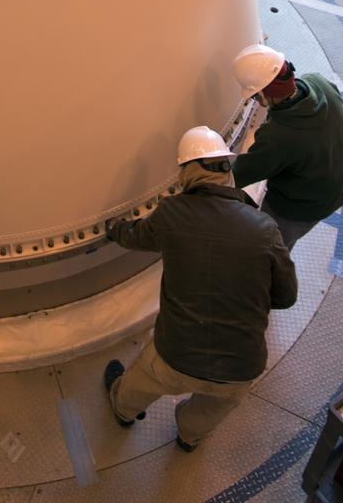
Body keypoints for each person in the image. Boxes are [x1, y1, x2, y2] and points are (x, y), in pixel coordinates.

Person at [103, 126, 297, 451]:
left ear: (187, 172)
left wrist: (112, 229)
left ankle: (124, 412)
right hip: (241, 367)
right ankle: (189, 438)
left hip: (175, 355)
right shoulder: (265, 228)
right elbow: (286, 296)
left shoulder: (172, 215)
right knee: (209, 412)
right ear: (225, 169)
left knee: (136, 386)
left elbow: (134, 236)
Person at [232, 44, 343, 251]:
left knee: (272, 248)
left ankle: (271, 272)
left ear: (263, 94)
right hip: (338, 184)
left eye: (254, 97)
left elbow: (237, 175)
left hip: (301, 207)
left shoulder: (278, 136)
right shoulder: (319, 82)